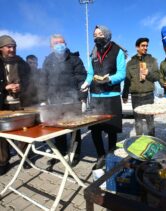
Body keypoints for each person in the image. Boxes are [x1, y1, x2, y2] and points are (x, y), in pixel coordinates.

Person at [81, 25, 126, 169]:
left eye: (100, 34)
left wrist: (108, 79)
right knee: (95, 129)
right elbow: (90, 73)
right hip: (95, 95)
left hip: (111, 95)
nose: (97, 37)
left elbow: (121, 73)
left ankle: (111, 156)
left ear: (107, 35)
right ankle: (100, 156)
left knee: (112, 129)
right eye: (94, 35)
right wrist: (86, 83)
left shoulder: (117, 51)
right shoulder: (93, 53)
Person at [42, 34, 88, 166]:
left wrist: (83, 99)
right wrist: (43, 99)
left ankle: (75, 153)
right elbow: (44, 80)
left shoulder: (74, 59)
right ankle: (60, 153)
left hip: (72, 100)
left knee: (75, 128)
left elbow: (81, 79)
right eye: (56, 43)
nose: (59, 45)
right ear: (51, 46)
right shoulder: (48, 61)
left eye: (61, 42)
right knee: (58, 129)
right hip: (54, 101)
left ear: (66, 44)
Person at [0, 35, 33, 175]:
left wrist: (20, 86)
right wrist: (5, 87)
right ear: (1, 48)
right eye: (9, 47)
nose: (12, 49)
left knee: (24, 131)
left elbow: (30, 80)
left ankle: (25, 157)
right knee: (2, 134)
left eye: (14, 47)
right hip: (3, 104)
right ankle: (3, 162)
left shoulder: (21, 62)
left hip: (20, 102)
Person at [122, 38, 159, 136]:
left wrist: (148, 73)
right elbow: (127, 80)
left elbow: (157, 77)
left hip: (148, 95)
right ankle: (139, 141)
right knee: (138, 122)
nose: (145, 48)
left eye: (147, 46)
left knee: (150, 121)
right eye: (143, 45)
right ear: (137, 47)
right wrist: (124, 95)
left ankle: (152, 142)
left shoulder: (152, 60)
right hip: (135, 96)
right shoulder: (130, 63)